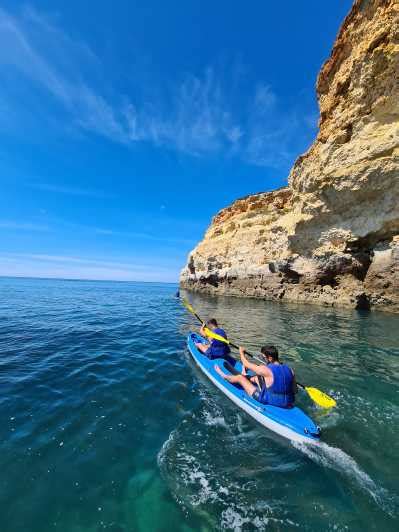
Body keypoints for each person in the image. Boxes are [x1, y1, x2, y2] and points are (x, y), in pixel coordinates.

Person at [215, 345, 297, 408]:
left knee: (240, 378)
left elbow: (245, 363)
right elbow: (295, 391)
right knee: (259, 377)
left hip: (269, 400)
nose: (263, 359)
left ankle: (225, 376)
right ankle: (247, 376)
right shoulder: (290, 370)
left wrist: (241, 352)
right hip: (288, 401)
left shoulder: (265, 370)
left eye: (264, 357)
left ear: (270, 358)